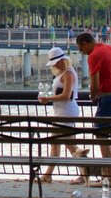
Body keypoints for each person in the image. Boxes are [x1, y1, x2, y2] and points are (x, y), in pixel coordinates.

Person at [76, 32, 111, 188]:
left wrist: (93, 96)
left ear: (85, 43)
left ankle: (110, 177)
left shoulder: (94, 55)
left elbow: (95, 83)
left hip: (109, 97)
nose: (82, 52)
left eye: (81, 49)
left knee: (101, 134)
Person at [37, 46, 89, 183]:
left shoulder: (68, 73)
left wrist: (48, 99)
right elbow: (60, 94)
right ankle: (83, 172)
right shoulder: (62, 73)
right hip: (61, 111)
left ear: (62, 61)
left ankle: (50, 175)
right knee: (64, 142)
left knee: (64, 142)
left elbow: (66, 95)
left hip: (66, 111)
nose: (54, 65)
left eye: (56, 62)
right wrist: (48, 98)